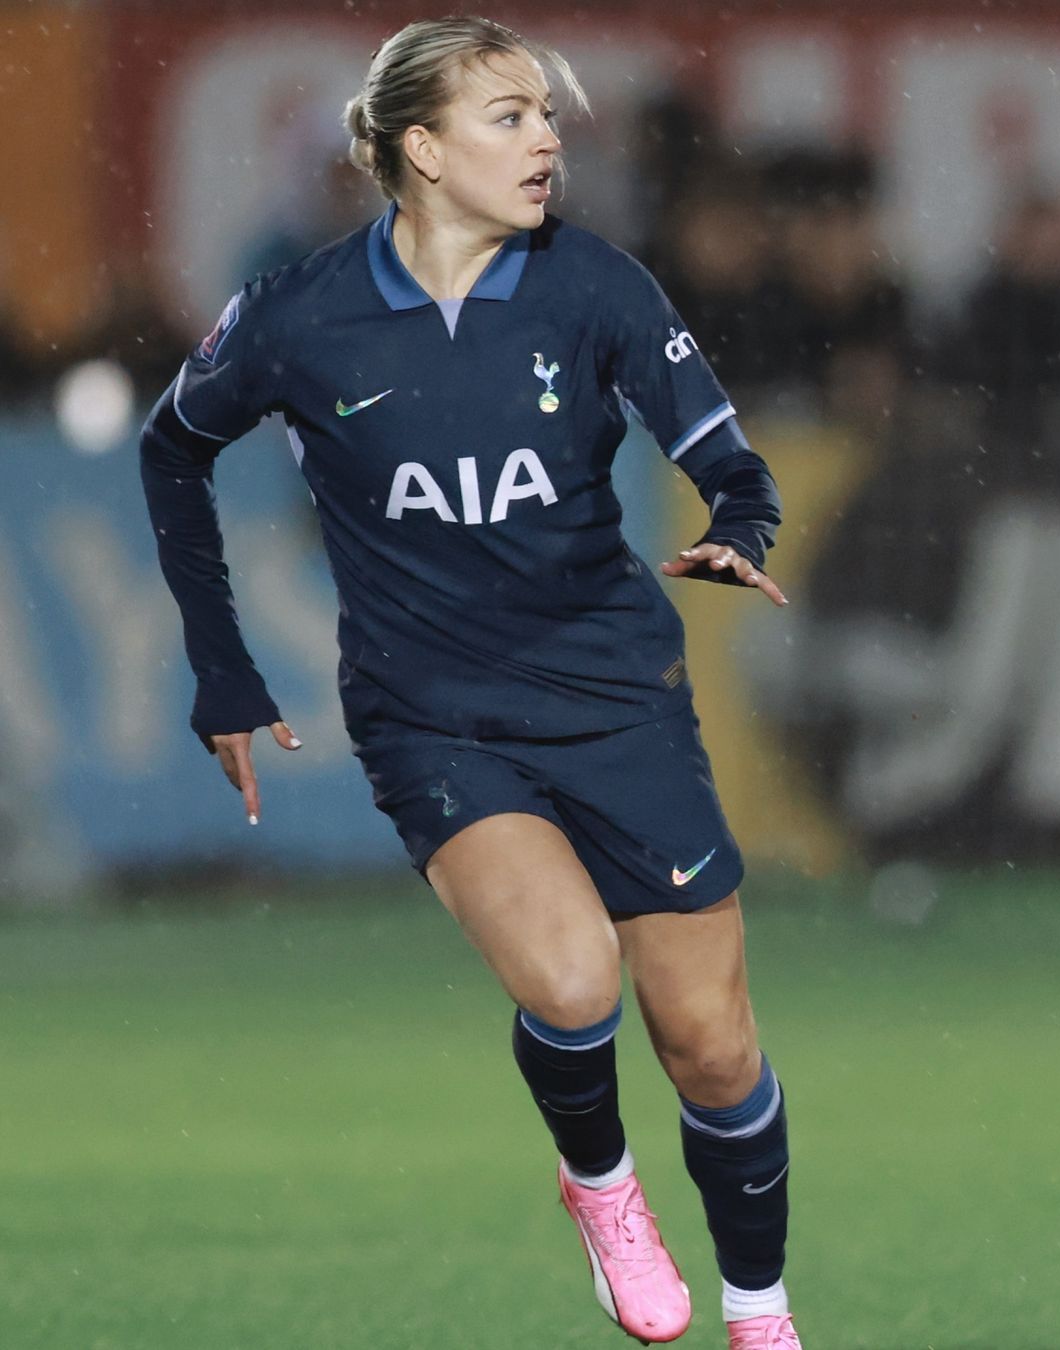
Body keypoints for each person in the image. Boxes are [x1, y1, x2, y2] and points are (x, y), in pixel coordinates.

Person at [140, 17, 802, 1350]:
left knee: (712, 1045)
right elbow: (172, 447)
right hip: (433, 714)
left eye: (546, 114)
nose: (548, 138)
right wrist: (221, 665)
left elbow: (731, 461)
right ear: (422, 150)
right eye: (509, 116)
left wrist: (740, 524)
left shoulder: (596, 286)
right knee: (571, 982)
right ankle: (603, 1186)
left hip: (616, 698)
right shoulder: (297, 315)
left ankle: (761, 1314)